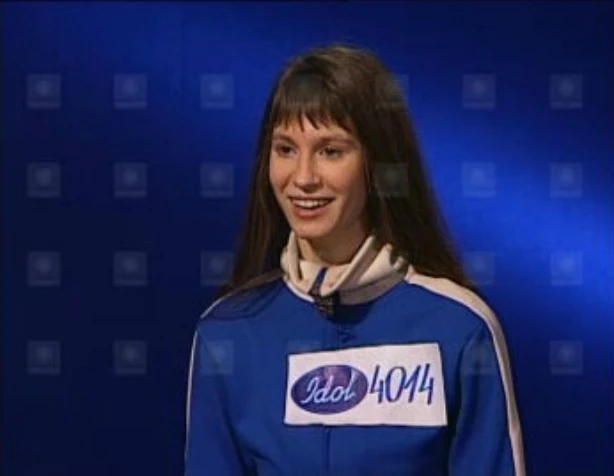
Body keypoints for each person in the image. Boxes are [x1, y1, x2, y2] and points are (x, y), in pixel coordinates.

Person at [184, 42, 526, 476]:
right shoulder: (227, 332)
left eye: (330, 151)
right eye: (285, 149)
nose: (303, 177)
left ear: (377, 164)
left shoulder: (460, 327)